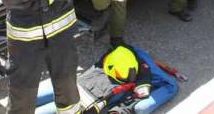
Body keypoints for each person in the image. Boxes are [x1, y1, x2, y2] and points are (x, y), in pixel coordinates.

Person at [34, 45, 178, 114]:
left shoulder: (138, 81)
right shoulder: (115, 58)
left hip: (81, 102)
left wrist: (117, 111)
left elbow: (128, 106)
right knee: (28, 100)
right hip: (72, 86)